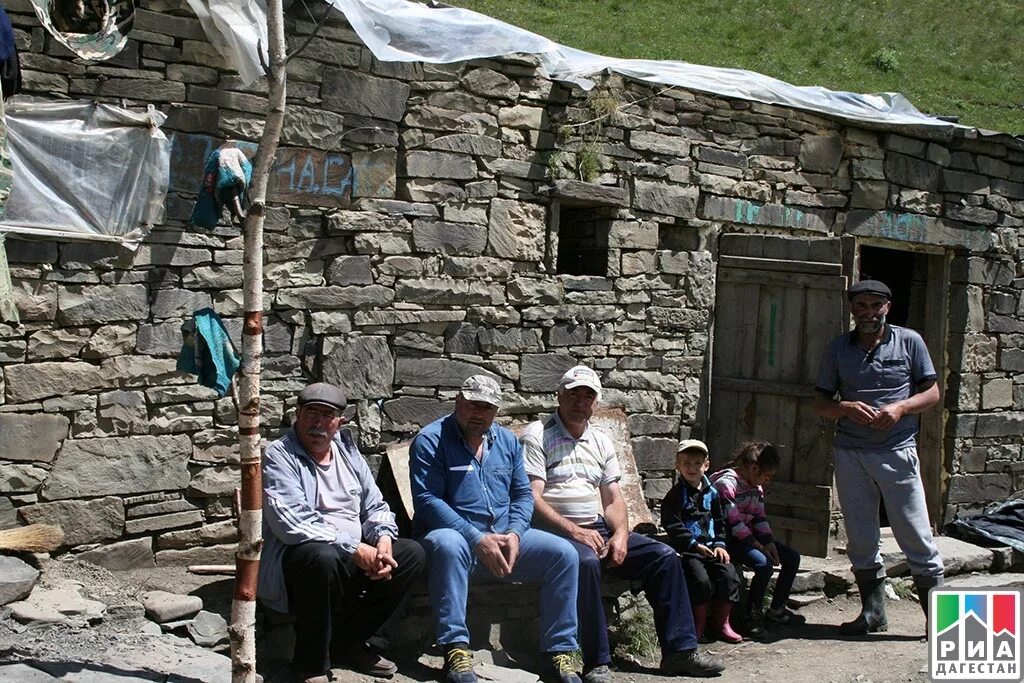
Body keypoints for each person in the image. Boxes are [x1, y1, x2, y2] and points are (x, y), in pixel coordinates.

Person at [520, 366, 725, 682]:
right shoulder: (537, 435)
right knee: (586, 562)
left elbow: (614, 498)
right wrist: (574, 531)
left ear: (596, 403)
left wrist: (620, 535)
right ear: (559, 396)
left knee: (665, 558)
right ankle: (597, 661)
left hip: (596, 528)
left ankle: (680, 651)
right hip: (555, 532)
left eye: (588, 396)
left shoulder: (600, 441)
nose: (580, 402)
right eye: (573, 394)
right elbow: (532, 499)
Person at [410, 375, 583, 683]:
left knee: (564, 554)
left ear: (496, 411)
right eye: (473, 405)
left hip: (504, 535)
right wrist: (476, 538)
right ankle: (455, 650)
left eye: (487, 408)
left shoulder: (505, 441)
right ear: (458, 403)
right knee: (448, 543)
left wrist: (516, 533)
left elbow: (522, 494)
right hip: (457, 539)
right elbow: (427, 501)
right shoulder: (431, 440)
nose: (479, 414)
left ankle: (557, 651)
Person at [258, 382, 425, 683]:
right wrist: (356, 548)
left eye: (327, 416)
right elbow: (291, 522)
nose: (318, 423)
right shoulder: (279, 454)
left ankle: (349, 643)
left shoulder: (347, 453)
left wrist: (383, 541)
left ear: (339, 422)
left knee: (410, 554)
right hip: (300, 561)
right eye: (311, 413)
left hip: (350, 555)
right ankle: (310, 664)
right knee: (321, 556)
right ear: (297, 414)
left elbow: (376, 506)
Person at [813, 279, 944, 635]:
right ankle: (873, 614)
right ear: (853, 310)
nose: (868, 313)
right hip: (851, 452)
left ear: (887, 307)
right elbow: (820, 403)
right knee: (860, 536)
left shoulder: (910, 341)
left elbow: (932, 393)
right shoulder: (839, 349)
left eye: (875, 306)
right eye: (861, 306)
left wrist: (901, 408)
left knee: (915, 534)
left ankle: (941, 624)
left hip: (897, 451)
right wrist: (844, 408)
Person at [709, 441, 803, 637]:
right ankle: (751, 615)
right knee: (763, 564)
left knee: (792, 558)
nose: (768, 481)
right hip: (727, 539)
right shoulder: (726, 484)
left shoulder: (756, 488)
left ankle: (777, 610)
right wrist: (758, 546)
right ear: (753, 468)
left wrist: (768, 542)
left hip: (749, 537)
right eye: (767, 476)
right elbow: (733, 523)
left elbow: (759, 517)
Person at [661, 439, 742, 644]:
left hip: (713, 548)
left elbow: (721, 521)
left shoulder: (713, 493)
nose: (692, 468)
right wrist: (694, 545)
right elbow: (673, 525)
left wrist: (721, 544)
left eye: (697, 463)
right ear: (677, 466)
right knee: (700, 581)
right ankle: (698, 626)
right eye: (686, 463)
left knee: (729, 575)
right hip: (690, 550)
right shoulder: (675, 496)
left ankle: (722, 624)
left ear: (706, 465)